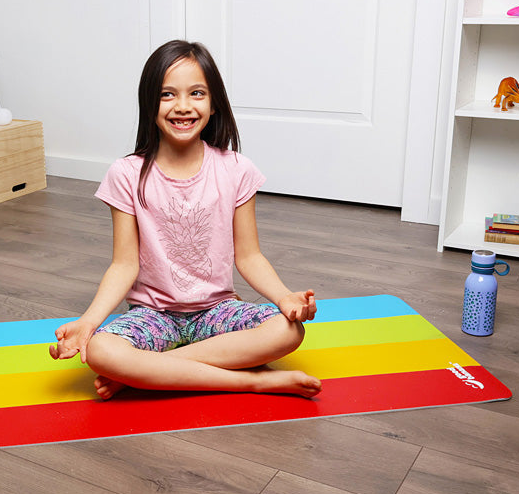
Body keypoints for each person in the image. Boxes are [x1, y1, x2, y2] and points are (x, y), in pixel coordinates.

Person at [48, 40, 321, 401]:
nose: (182, 106)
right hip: (154, 315)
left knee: (289, 331)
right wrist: (88, 321)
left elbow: (249, 256)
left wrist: (285, 298)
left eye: (196, 93)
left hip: (217, 310)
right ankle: (254, 382)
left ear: (213, 103)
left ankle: (150, 371)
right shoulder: (126, 174)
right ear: (150, 103)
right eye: (167, 94)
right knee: (100, 351)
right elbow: (124, 264)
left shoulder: (236, 169)